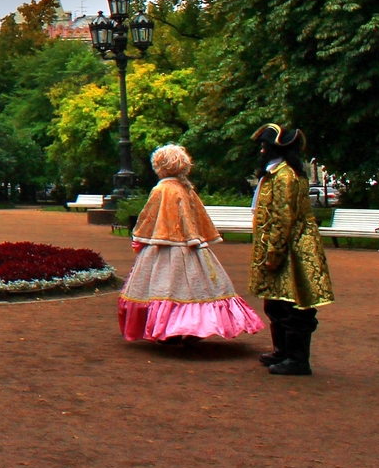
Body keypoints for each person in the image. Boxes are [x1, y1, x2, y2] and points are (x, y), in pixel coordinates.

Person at [117, 144, 263, 343]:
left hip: (163, 247)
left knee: (166, 288)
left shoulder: (161, 189)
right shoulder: (186, 189)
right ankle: (192, 327)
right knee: (194, 289)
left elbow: (147, 218)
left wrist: (138, 238)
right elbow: (200, 218)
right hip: (191, 248)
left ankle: (169, 330)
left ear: (160, 166)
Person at [250, 124, 334, 376]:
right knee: (276, 302)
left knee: (295, 304)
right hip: (282, 247)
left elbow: (283, 217)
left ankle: (297, 359)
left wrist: (274, 252)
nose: (262, 150)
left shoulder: (285, 175)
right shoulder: (277, 173)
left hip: (291, 250)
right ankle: (283, 351)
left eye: (266, 145)